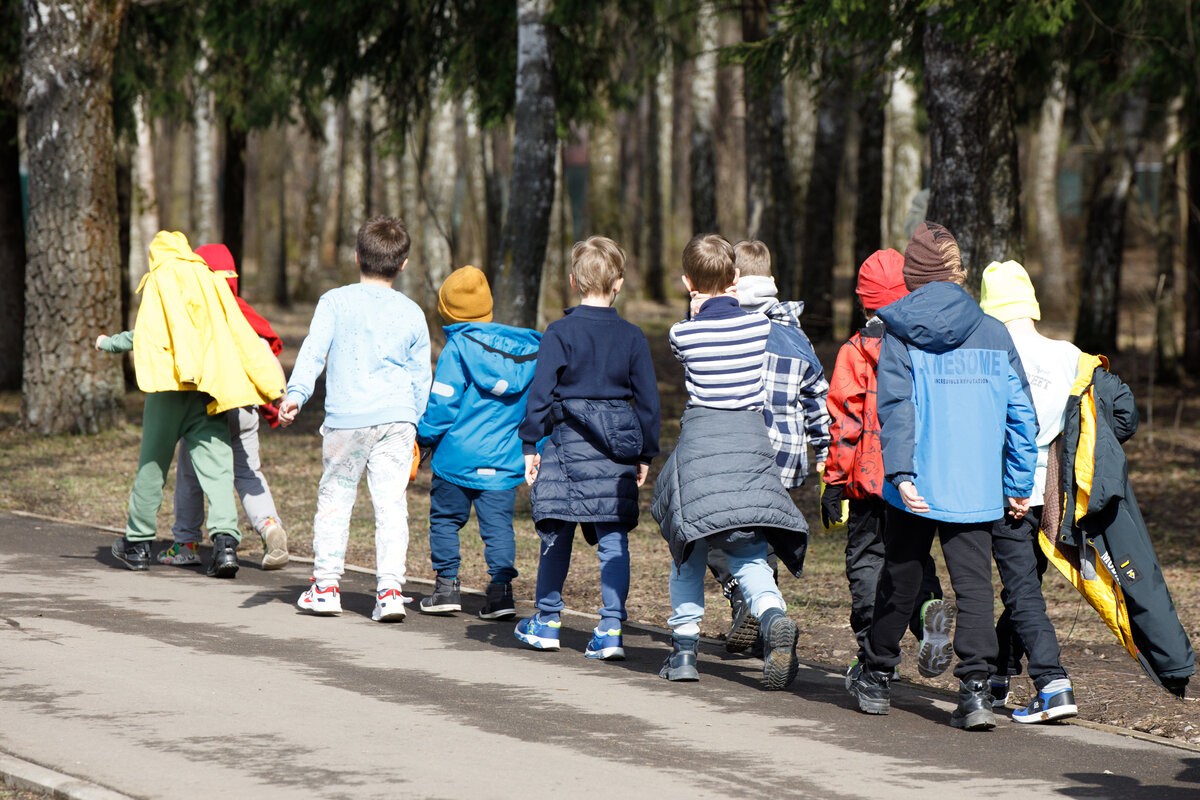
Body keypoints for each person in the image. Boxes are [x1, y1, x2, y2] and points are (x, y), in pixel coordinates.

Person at [847, 222, 1038, 731]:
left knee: (900, 578)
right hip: (976, 485)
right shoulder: (995, 332)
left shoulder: (899, 332)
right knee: (975, 586)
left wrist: (904, 472)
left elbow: (895, 408)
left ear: (911, 275)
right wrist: (1019, 484)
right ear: (958, 272)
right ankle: (976, 691)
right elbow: (1022, 413)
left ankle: (877, 673)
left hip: (915, 486)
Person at [652, 233, 808, 688]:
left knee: (688, 554)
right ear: (736, 279)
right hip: (750, 446)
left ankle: (683, 654)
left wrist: (696, 309)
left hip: (701, 446)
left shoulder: (682, 333)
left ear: (686, 282)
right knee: (750, 553)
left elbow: (690, 353)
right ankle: (772, 615)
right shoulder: (759, 328)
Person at [98, 244, 290, 574]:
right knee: (228, 472)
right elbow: (253, 347)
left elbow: (144, 335)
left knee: (161, 469)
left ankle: (151, 543)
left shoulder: (168, 290)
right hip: (223, 399)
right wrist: (276, 394)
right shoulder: (222, 301)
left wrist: (108, 342)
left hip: (180, 393)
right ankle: (230, 544)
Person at [514, 235, 660, 661]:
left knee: (557, 531)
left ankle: (546, 620)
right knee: (614, 539)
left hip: (564, 447)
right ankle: (612, 627)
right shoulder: (633, 337)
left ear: (574, 281)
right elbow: (649, 401)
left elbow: (540, 394)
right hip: (616, 454)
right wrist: (644, 453)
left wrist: (530, 444)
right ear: (618, 284)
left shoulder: (559, 332)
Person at [279, 216, 431, 622]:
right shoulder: (413, 312)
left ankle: (326, 587)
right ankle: (390, 593)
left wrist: (296, 394)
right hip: (398, 420)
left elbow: (313, 351)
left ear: (358, 256)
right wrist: (415, 419)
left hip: (348, 420)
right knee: (391, 505)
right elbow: (421, 376)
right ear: (402, 264)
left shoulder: (335, 301)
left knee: (335, 499)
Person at [823, 249, 948, 686]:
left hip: (868, 478)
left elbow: (845, 423)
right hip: (913, 473)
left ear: (864, 302)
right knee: (912, 556)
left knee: (867, 562)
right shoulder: (928, 346)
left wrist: (834, 482)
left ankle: (872, 654)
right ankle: (928, 604)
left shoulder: (855, 353)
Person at [705, 240, 831, 654]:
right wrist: (825, 454)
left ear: (733, 281)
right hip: (788, 460)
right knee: (762, 536)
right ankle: (767, 625)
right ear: (772, 281)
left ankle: (747, 601)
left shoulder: (730, 329)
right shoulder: (797, 336)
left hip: (741, 454)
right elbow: (818, 399)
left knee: (716, 530)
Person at [978, 260, 1083, 721]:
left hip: (1007, 493)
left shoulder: (988, 354)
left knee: (1021, 590)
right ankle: (1000, 674)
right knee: (1025, 587)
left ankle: (1052, 682)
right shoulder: (1070, 356)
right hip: (1056, 496)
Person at [415, 265, 541, 620]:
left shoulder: (457, 347)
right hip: (504, 462)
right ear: (489, 307)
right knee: (498, 528)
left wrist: (424, 436)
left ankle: (446, 588)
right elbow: (540, 406)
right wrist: (539, 447)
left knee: (445, 520)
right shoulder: (529, 349)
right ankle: (501, 594)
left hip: (456, 459)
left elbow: (442, 403)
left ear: (448, 312)